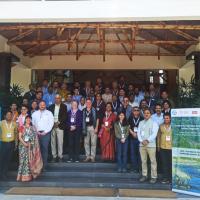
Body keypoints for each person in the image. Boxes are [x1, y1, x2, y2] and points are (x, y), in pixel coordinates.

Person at [17, 115, 43, 182]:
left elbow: (35, 138)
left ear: (31, 120)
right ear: (25, 120)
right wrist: (25, 144)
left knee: (29, 161)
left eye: (29, 119)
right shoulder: (21, 127)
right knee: (23, 161)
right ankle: (22, 176)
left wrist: (32, 144)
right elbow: (19, 137)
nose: (28, 120)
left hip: (31, 147)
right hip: (23, 146)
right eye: (27, 119)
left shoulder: (33, 128)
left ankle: (29, 176)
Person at [137, 108, 159, 184]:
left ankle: (154, 177)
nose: (146, 114)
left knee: (153, 161)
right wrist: (141, 140)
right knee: (143, 161)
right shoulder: (140, 122)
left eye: (148, 113)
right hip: (142, 144)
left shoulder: (154, 123)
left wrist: (147, 140)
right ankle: (144, 175)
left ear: (150, 114)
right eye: (145, 113)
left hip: (151, 145)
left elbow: (154, 134)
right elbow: (138, 133)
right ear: (143, 114)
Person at [32, 101, 54, 170]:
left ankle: (44, 166)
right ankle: (37, 166)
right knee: (37, 150)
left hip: (45, 134)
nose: (42, 106)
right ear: (38, 105)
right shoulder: (35, 113)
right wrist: (36, 131)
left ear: (45, 105)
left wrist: (45, 131)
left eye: (43, 105)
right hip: (36, 134)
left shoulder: (49, 113)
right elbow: (33, 123)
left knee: (44, 149)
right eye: (41, 105)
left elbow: (51, 123)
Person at [49, 95, 67, 163]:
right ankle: (54, 156)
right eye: (56, 98)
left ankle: (60, 156)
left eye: (58, 98)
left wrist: (58, 123)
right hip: (52, 126)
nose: (57, 99)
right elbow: (49, 116)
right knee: (53, 142)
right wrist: (53, 124)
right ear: (54, 99)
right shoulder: (51, 107)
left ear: (60, 99)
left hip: (60, 126)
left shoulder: (64, 106)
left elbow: (64, 116)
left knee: (60, 142)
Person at [0, 111, 18, 180]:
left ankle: (4, 174)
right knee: (2, 159)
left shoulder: (14, 124)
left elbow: (16, 134)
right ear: (5, 116)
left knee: (8, 160)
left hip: (11, 143)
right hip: (3, 144)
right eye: (7, 115)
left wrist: (16, 144)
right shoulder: (1, 123)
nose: (9, 116)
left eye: (10, 115)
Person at [157, 113, 172, 184]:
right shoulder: (161, 126)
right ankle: (165, 178)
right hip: (163, 147)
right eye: (165, 118)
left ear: (170, 119)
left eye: (167, 118)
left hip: (171, 148)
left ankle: (171, 178)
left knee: (170, 163)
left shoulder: (173, 126)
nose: (166, 119)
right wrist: (158, 146)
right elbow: (158, 137)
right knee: (164, 163)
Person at [128, 106, 143, 172]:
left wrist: (138, 134)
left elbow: (143, 128)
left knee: (140, 154)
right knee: (133, 154)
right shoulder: (130, 118)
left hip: (140, 139)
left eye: (137, 110)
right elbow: (128, 127)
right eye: (135, 110)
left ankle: (139, 168)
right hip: (132, 138)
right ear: (132, 111)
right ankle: (134, 168)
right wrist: (132, 133)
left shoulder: (142, 118)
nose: (136, 111)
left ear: (139, 111)